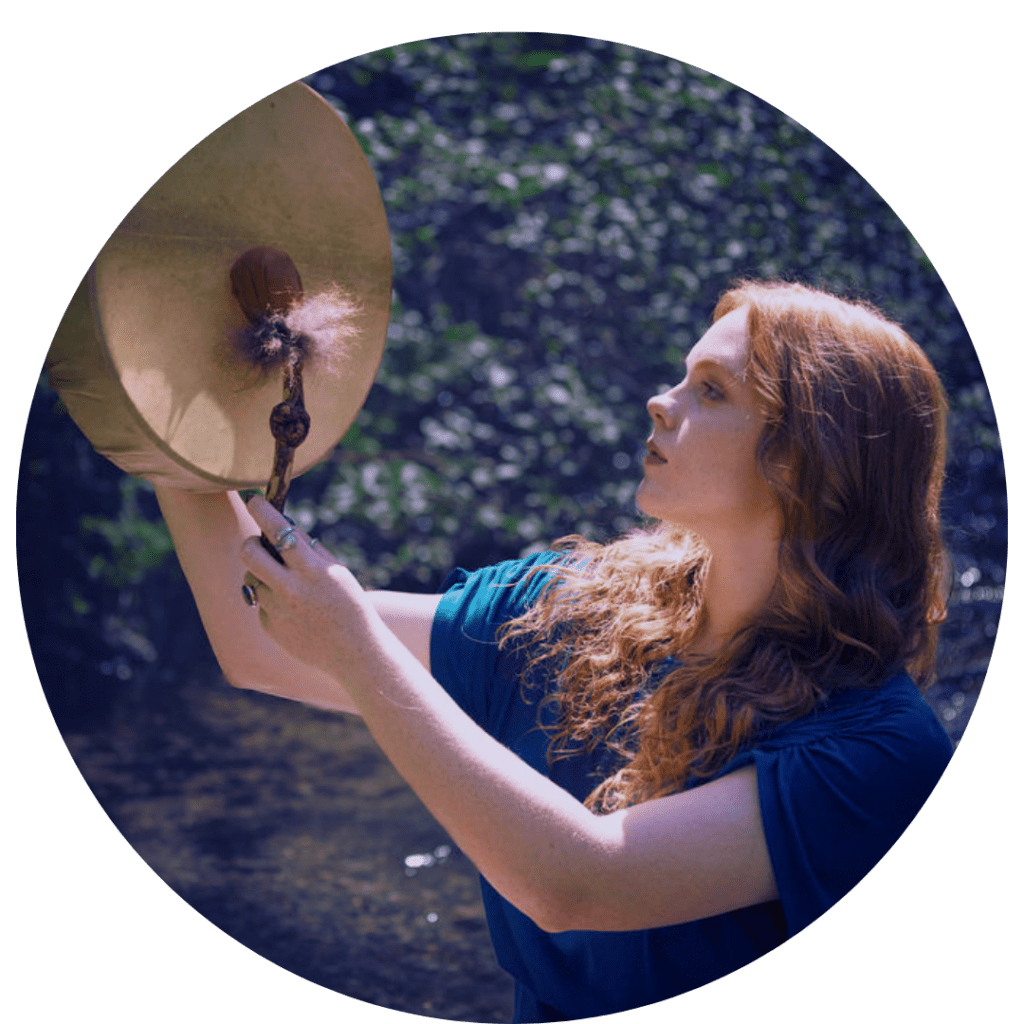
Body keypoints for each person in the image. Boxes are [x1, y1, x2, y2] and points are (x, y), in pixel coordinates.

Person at [155, 279, 954, 1022]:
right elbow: (258, 644)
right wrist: (162, 414)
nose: (660, 401)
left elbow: (579, 884)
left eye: (712, 391)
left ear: (811, 462)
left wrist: (356, 647)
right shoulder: (573, 605)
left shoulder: (882, 752)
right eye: (682, 376)